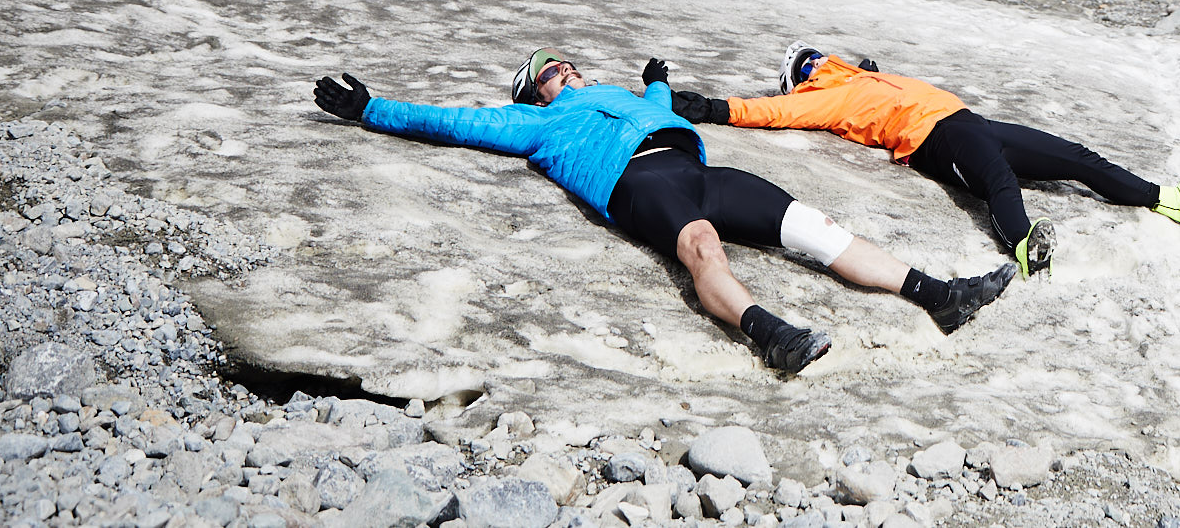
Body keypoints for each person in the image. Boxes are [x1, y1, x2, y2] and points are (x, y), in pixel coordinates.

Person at [311, 50, 1012, 374]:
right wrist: (374, 109)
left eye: (566, 62)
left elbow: (656, 106)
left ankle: (940, 294)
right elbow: (455, 122)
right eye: (551, 70)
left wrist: (653, 83)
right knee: (702, 245)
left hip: (692, 165)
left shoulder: (615, 91)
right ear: (535, 94)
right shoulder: (533, 125)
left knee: (814, 227)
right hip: (636, 184)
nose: (567, 69)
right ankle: (774, 336)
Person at [670, 49, 1180, 280]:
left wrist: (861, 71)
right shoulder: (824, 98)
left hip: (972, 121)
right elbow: (774, 111)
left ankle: (1165, 199)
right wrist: (715, 108)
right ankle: (1024, 245)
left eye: (811, 56)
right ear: (802, 80)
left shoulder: (858, 78)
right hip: (936, 139)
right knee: (996, 181)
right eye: (804, 66)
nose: (813, 63)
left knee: (1073, 157)